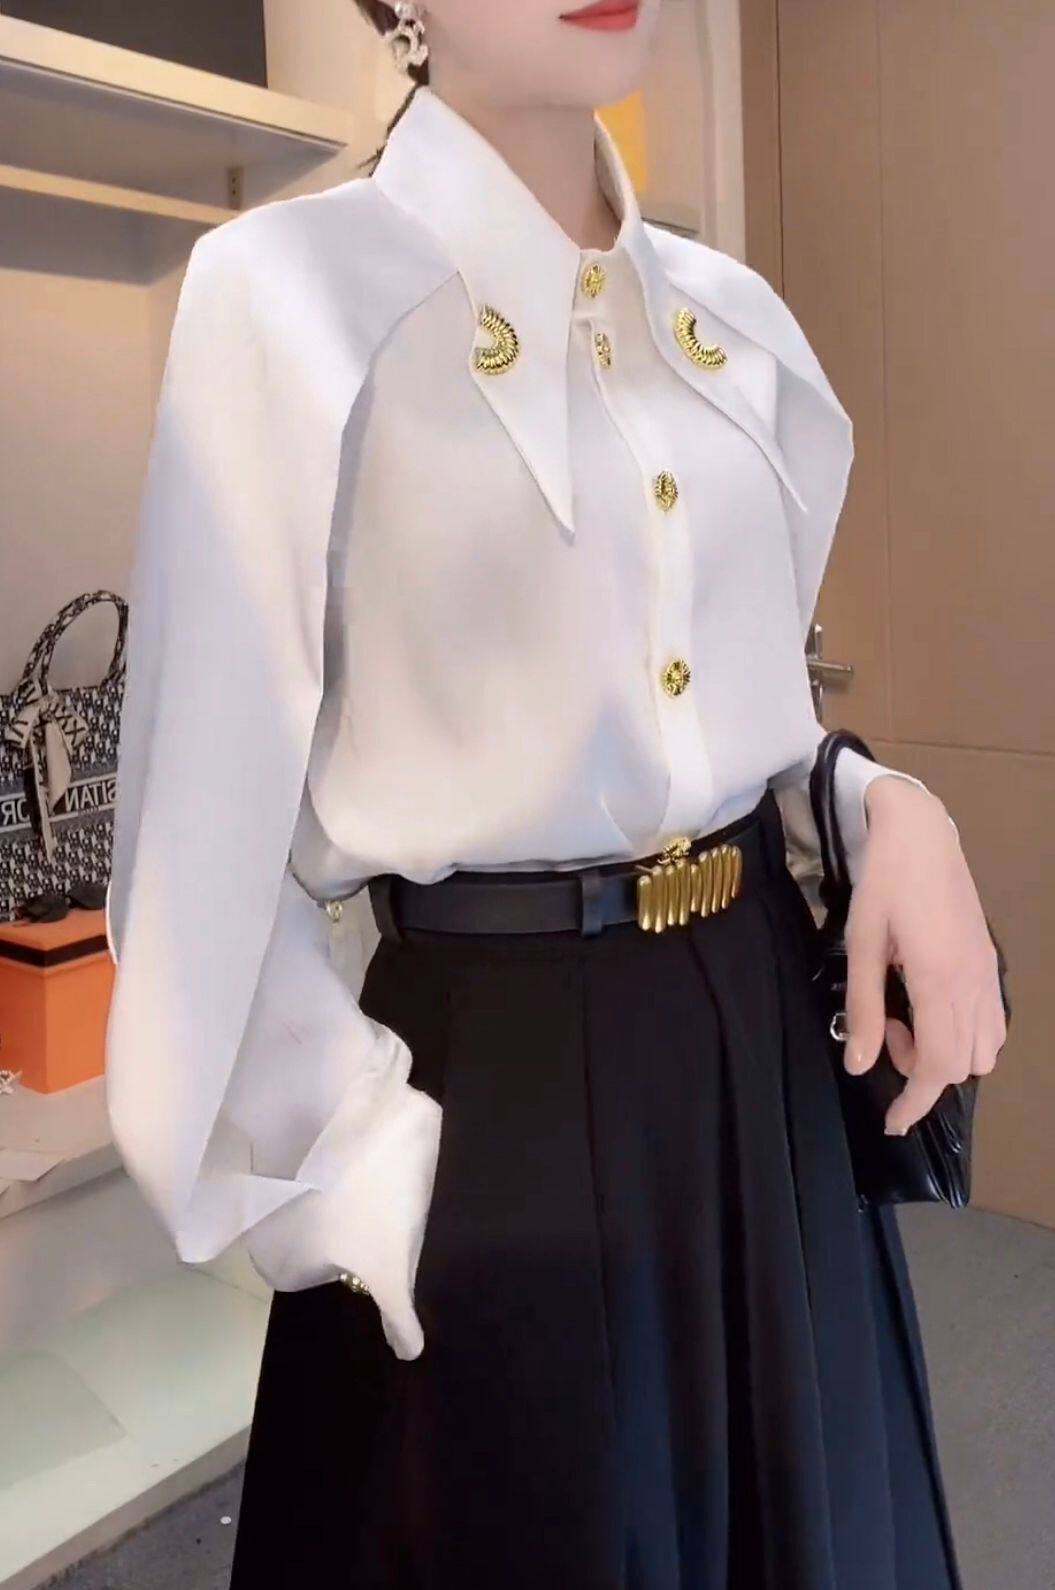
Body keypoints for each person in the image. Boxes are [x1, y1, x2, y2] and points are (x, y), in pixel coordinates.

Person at [103, 1, 1007, 1584]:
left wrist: (884, 808)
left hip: (758, 1066)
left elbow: (739, 724)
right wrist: (374, 1189)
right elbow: (194, 858)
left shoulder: (733, 323)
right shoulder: (290, 298)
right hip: (492, 1096)